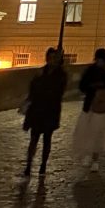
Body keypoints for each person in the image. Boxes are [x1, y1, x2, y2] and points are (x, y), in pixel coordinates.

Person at [21, 47, 67, 180]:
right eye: (49, 58)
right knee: (34, 139)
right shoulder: (41, 72)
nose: (51, 60)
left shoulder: (60, 75)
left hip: (50, 111)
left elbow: (58, 92)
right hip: (37, 110)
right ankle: (28, 165)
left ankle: (43, 165)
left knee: (47, 139)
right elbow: (32, 89)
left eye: (53, 58)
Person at [75, 48, 105, 172]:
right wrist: (93, 86)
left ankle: (95, 159)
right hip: (91, 105)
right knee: (88, 131)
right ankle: (88, 154)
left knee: (98, 133)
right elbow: (82, 85)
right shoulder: (91, 70)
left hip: (104, 107)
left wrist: (103, 85)